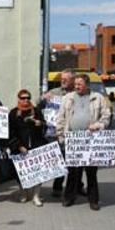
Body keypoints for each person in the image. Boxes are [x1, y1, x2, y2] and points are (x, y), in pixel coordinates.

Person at [56, 73, 111, 211]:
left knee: (91, 172)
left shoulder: (97, 98)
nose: (76, 87)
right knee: (73, 171)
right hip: (73, 139)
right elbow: (61, 117)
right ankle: (69, 197)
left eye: (79, 84)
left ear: (87, 85)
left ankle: (93, 200)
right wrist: (60, 135)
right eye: (75, 84)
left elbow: (106, 116)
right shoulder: (67, 98)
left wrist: (98, 126)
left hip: (91, 140)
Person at [39, 68, 75, 197]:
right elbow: (39, 105)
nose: (63, 81)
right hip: (53, 133)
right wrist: (44, 98)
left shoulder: (77, 93)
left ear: (73, 80)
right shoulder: (54, 92)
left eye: (66, 79)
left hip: (71, 133)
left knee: (71, 162)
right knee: (57, 161)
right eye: (62, 79)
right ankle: (55, 187)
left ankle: (71, 187)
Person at [9, 89, 47, 206]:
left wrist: (40, 124)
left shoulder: (36, 111)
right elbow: (10, 132)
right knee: (21, 173)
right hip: (20, 147)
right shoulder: (13, 113)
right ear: (18, 99)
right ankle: (24, 193)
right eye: (23, 98)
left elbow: (44, 125)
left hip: (36, 145)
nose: (25, 100)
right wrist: (19, 145)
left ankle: (36, 196)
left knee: (38, 172)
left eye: (28, 98)